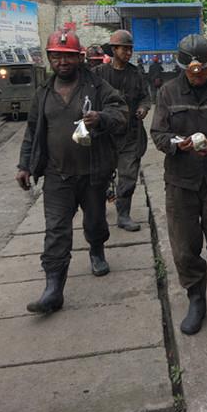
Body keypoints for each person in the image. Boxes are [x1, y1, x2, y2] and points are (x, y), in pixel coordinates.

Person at [16, 30, 127, 314]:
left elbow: (121, 112)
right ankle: (53, 289)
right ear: (49, 58)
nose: (62, 61)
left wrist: (101, 118)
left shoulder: (97, 86)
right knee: (56, 230)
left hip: (93, 173)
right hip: (57, 175)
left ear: (79, 58)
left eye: (68, 56)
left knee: (95, 222)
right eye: (56, 56)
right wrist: (25, 165)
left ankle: (97, 250)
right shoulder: (43, 93)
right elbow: (32, 131)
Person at [150, 34, 207, 335]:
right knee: (184, 245)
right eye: (191, 71)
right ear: (182, 68)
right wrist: (176, 144)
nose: (197, 75)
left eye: (202, 70)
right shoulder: (168, 93)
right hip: (182, 181)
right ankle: (196, 297)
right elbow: (158, 133)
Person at [94, 30, 151, 231]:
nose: (128, 53)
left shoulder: (136, 74)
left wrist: (143, 108)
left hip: (130, 134)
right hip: (104, 135)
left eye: (130, 49)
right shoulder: (99, 74)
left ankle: (123, 215)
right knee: (101, 176)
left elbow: (145, 97)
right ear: (114, 49)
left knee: (128, 177)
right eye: (124, 49)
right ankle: (98, 208)